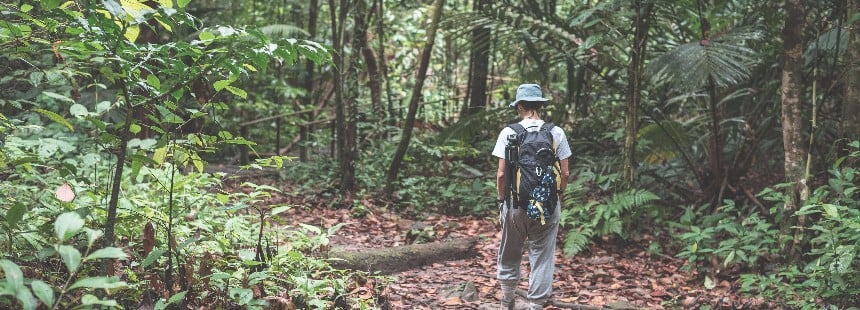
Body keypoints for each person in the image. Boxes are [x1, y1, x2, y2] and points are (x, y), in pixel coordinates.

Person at [491, 83, 571, 309]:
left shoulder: (509, 132)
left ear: (520, 105)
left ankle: (507, 300)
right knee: (543, 256)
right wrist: (558, 196)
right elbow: (565, 172)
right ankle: (535, 305)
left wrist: (501, 201)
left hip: (515, 203)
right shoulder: (556, 132)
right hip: (548, 204)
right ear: (540, 105)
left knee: (510, 250)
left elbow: (500, 174)